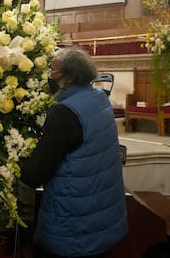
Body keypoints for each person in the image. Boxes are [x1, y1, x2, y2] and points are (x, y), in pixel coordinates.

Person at [20, 47, 128, 258]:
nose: (50, 77)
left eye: (54, 72)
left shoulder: (64, 112)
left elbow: (35, 174)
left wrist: (14, 160)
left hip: (72, 229)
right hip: (103, 219)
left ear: (71, 76)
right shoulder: (99, 98)